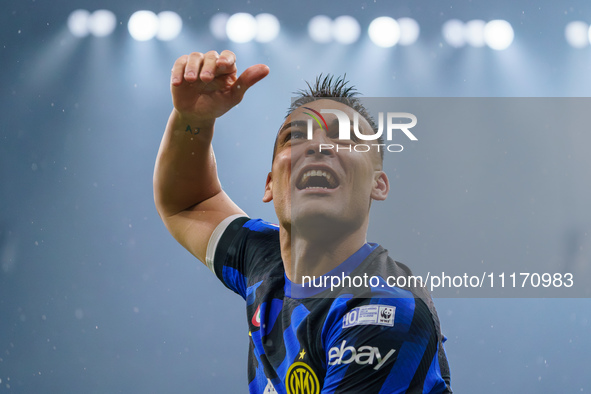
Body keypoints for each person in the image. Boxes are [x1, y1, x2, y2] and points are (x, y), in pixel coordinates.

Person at [154, 50, 452, 393]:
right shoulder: (264, 261)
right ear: (269, 184)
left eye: (345, 138)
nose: (319, 146)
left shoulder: (383, 305)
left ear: (378, 185)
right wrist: (192, 120)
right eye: (296, 137)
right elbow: (187, 203)